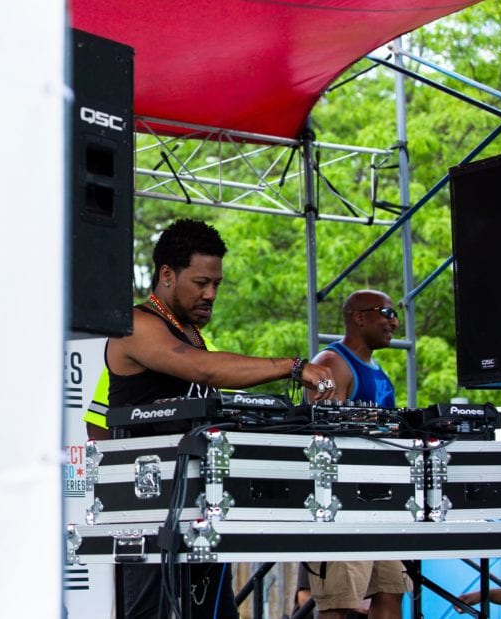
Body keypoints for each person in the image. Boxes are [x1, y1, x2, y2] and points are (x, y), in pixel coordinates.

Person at [104, 218, 337, 619]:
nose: (211, 293)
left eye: (217, 284)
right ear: (166, 275)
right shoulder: (136, 325)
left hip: (198, 504)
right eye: (201, 283)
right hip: (148, 509)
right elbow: (204, 370)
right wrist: (293, 366)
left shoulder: (191, 333)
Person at [303, 290, 411, 619]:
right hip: (343, 503)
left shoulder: (375, 366)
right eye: (387, 312)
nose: (394, 320)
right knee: (341, 604)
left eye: (395, 313)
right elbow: (320, 436)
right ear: (359, 317)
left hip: (378, 500)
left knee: (392, 590)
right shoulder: (332, 363)